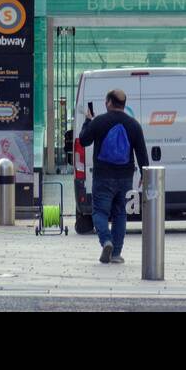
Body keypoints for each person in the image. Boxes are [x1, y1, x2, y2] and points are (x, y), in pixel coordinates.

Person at [78, 90, 150, 264]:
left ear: (109, 102)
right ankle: (116, 253)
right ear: (123, 104)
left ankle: (106, 241)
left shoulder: (99, 121)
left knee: (99, 212)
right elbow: (141, 152)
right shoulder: (133, 125)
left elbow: (83, 140)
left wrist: (88, 120)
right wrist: (144, 173)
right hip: (125, 177)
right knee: (120, 214)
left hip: (103, 176)